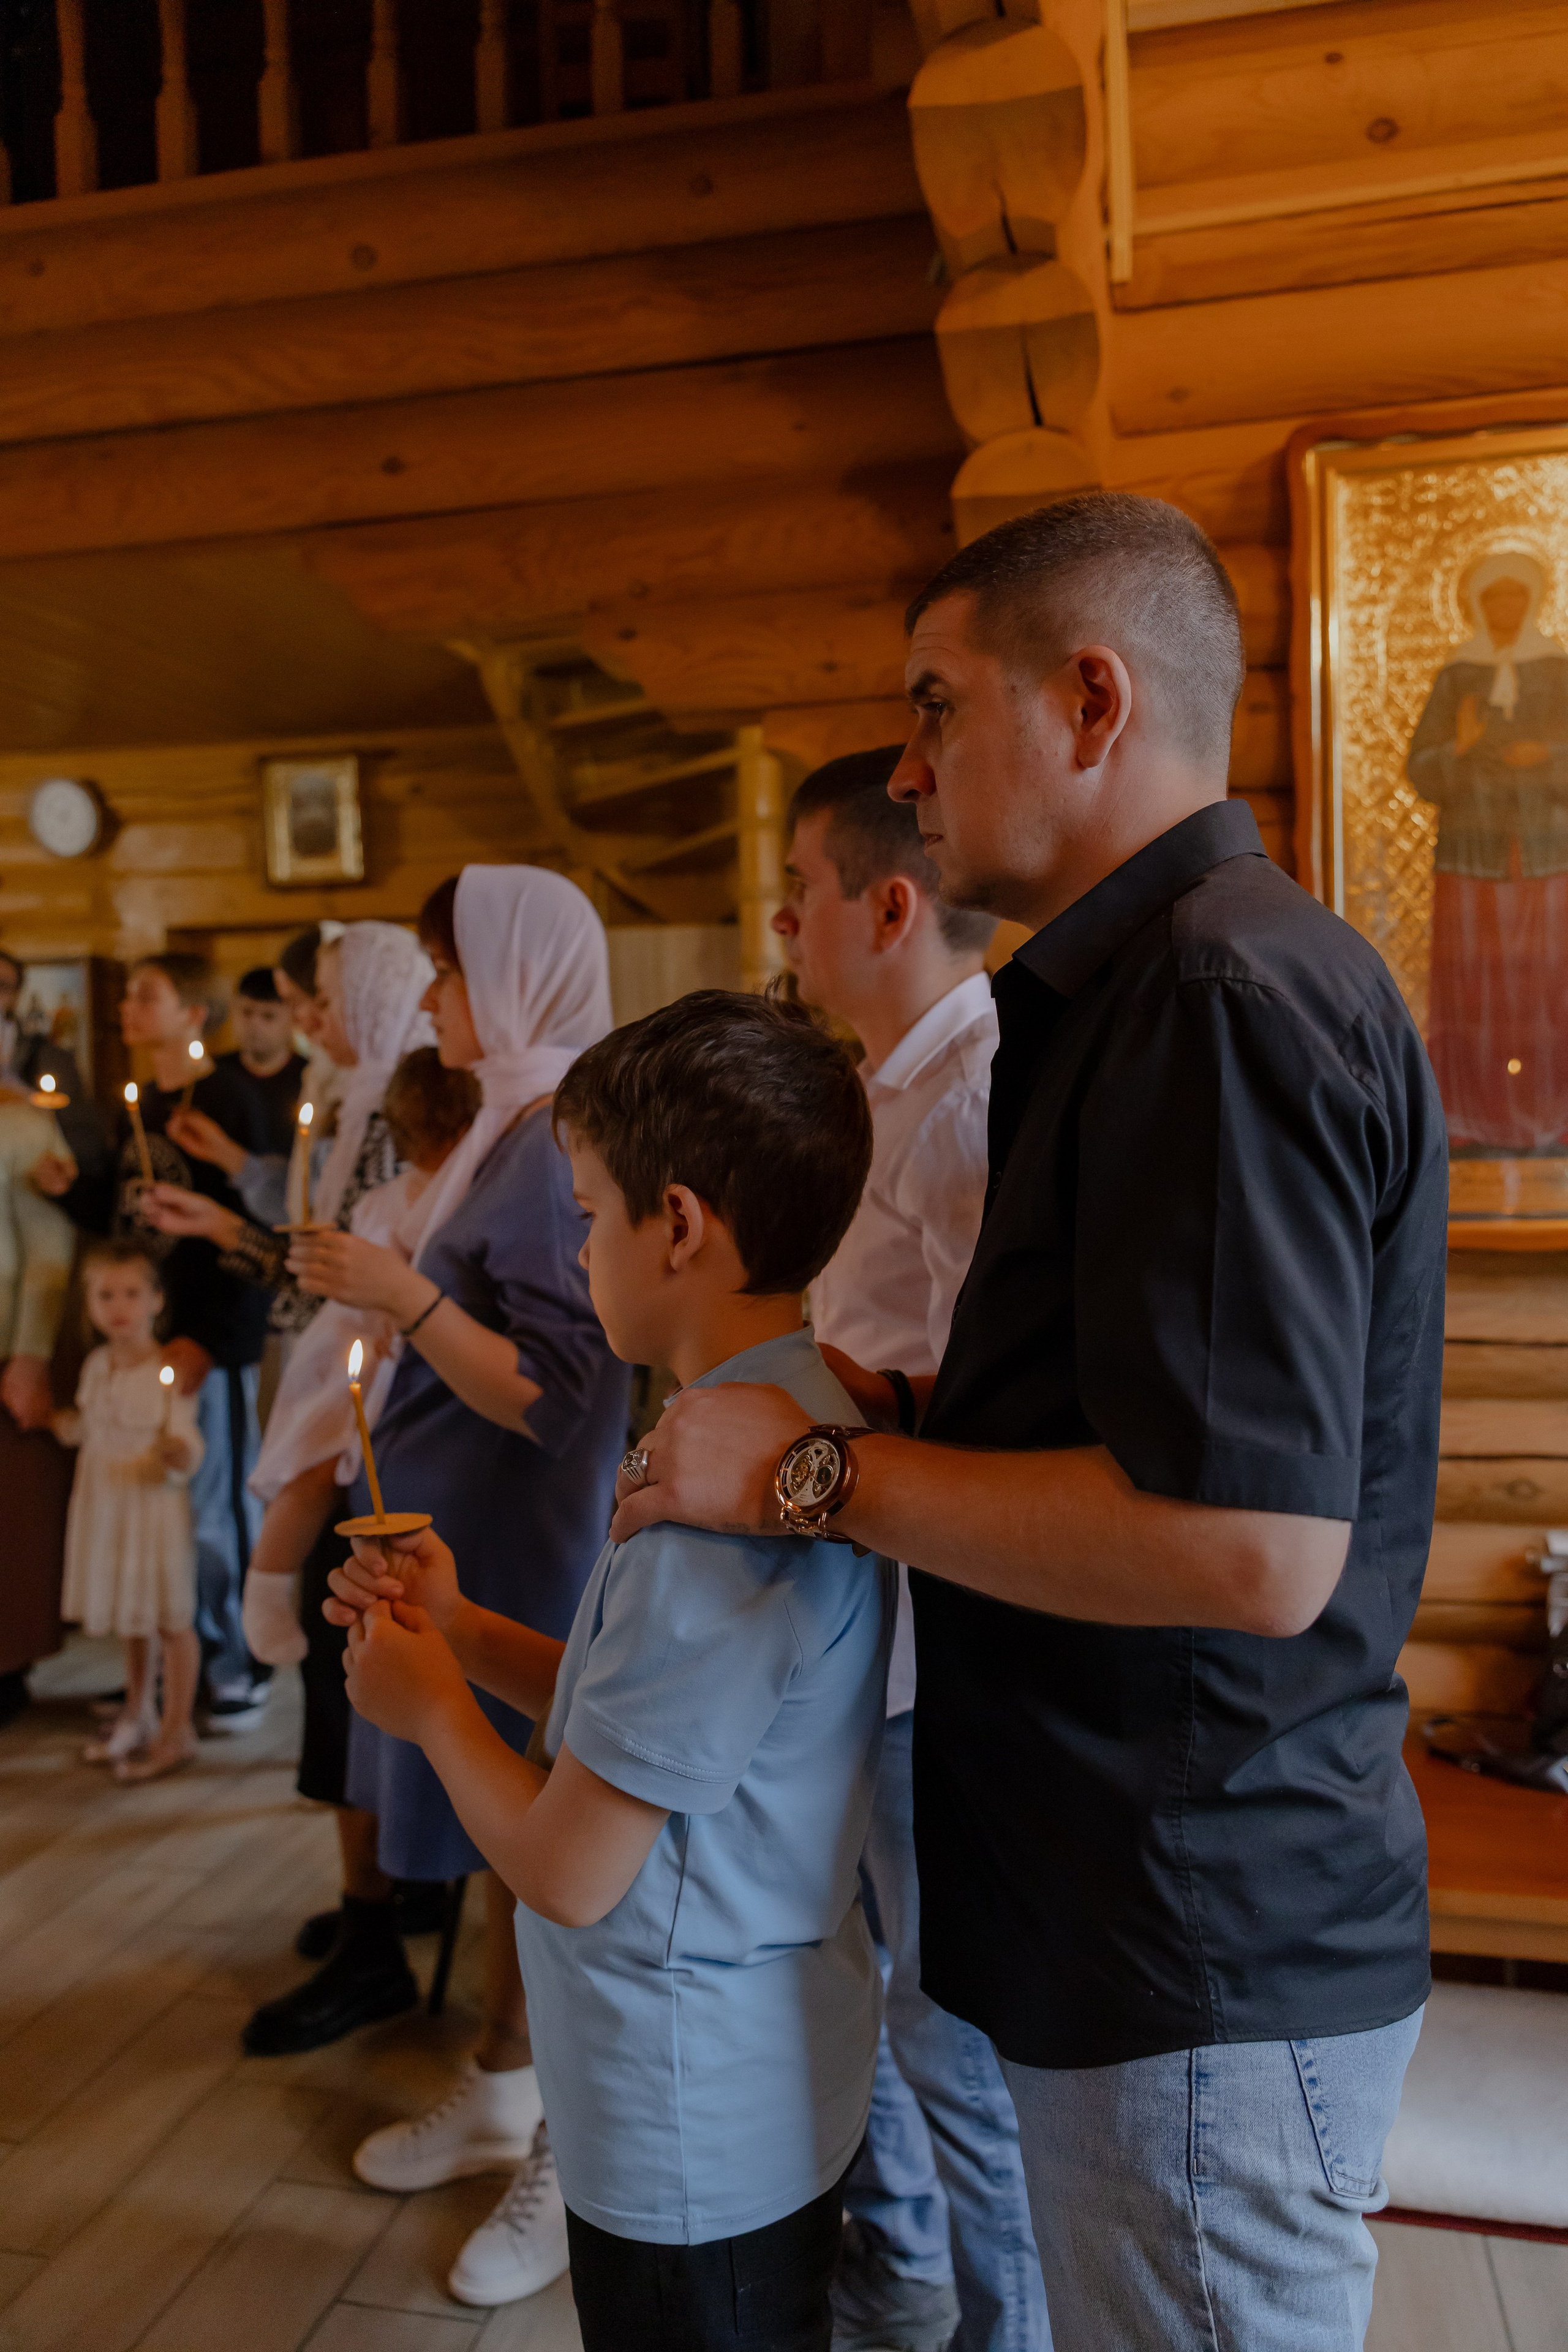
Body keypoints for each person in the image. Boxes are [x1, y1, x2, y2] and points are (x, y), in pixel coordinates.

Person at [609, 492, 1449, 2352]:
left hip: (1198, 1930)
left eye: (931, 707)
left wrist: (819, 1474)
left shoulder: (1218, 993)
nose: (905, 772)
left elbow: (1249, 1542)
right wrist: (881, 1404)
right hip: (1135, 1909)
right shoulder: (1133, 989)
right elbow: (1128, 1408)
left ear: (1086, 701)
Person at [324, 987, 890, 2352]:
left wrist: (428, 1707)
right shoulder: (781, 1425)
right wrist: (463, 1632)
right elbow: (634, 1731)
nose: (577, 1250)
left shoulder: (723, 1509)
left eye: (586, 1216)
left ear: (677, 1225)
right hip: (745, 2084)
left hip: (689, 2121)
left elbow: (574, 1867)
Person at [285, 865, 628, 2309]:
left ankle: (575, 2137)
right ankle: (498, 2068)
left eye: (446, 967)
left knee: (536, 1820)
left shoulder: (555, 1137)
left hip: (522, 1526)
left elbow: (557, 1393)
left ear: (517, 969)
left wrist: (394, 1288)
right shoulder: (502, 1119)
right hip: (464, 1520)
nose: (432, 997)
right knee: (494, 1833)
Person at [776, 750, 1047, 2352]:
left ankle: (1001, 2330)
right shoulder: (886, 1091)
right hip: (859, 1625)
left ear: (889, 904)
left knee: (951, 2040)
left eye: (797, 897)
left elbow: (988, 1397)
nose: (780, 928)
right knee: (865, 1997)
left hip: (934, 1652)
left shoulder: (971, 1093)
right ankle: (902, 2289)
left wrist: (805, 1431)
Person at [238, 1047, 480, 2052]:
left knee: (369, 1686)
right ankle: (387, 1898)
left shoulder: (461, 1194)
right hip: (382, 1425)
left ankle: (384, 1918)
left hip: (420, 1456)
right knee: (358, 1690)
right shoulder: (404, 1194)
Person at [35, 951, 276, 1727]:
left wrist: (214, 1340)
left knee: (215, 1512)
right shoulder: (131, 1104)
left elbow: (261, 1237)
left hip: (210, 1344)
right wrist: (72, 1193)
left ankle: (241, 1667)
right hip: (146, 1342)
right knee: (162, 1516)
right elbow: (126, 1213)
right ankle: (171, 1669)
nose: (129, 1008)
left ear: (193, 1015)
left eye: (148, 995)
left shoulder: (232, 1100)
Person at [1408, 548, 1568, 1148]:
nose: (1504, 607)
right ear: (1476, 603)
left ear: (1531, 601)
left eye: (1515, 596)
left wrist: (1548, 756)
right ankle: (1470, 1116)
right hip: (1470, 857)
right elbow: (1420, 770)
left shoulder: (1557, 670)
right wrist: (1463, 747)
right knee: (1474, 984)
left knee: (1550, 985)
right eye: (1494, 596)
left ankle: (1551, 1117)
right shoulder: (1457, 676)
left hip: (1548, 856)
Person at [53, 1239, 205, 1782]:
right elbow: (87, 1428)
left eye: (132, 1293)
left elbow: (187, 1440)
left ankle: (177, 1728)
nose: (119, 1306)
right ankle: (136, 1713)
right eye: (105, 1294)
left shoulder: (171, 1367)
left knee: (169, 1617)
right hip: (107, 1505)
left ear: (157, 1300)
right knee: (132, 1617)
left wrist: (178, 1451)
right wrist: (53, 1421)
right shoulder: (96, 1365)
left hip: (152, 1511)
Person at [0, 1090, 78, 1728]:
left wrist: (30, 1354)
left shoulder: (22, 1123)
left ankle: (7, 1668)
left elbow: (48, 1250)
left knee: (11, 1522)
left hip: (4, 1349)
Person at [0, 944, 110, 1180]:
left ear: (16, 995)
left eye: (1, 986)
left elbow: (85, 1135)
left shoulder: (49, 1056)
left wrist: (26, 1100)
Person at [221, 966, 306, 1156]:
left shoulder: (309, 1079)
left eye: (268, 1016)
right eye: (247, 1012)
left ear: (292, 1019)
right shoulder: (216, 1075)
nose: (254, 1025)